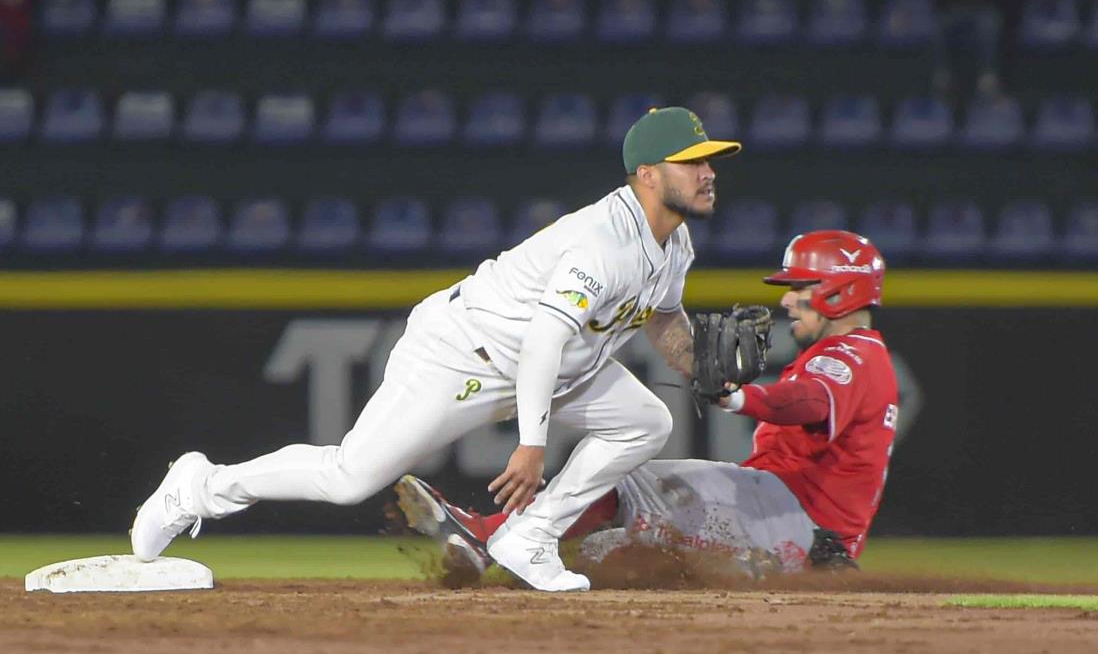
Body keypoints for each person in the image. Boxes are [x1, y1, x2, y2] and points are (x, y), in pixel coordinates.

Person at [130, 107, 742, 592]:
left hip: (559, 370)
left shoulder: (675, 241)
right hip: (464, 354)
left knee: (643, 422)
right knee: (350, 477)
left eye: (709, 160)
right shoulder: (601, 243)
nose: (708, 171)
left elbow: (663, 320)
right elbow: (543, 339)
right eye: (692, 162)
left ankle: (530, 536)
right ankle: (201, 486)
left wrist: (703, 370)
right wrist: (532, 445)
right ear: (648, 175)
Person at [396, 230, 899, 581]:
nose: (788, 300)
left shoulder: (850, 355)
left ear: (840, 290)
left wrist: (742, 395)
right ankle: (544, 557)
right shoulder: (859, 357)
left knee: (620, 474)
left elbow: (805, 402)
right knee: (610, 551)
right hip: (794, 532)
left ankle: (485, 541)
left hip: (787, 513)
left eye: (800, 286)